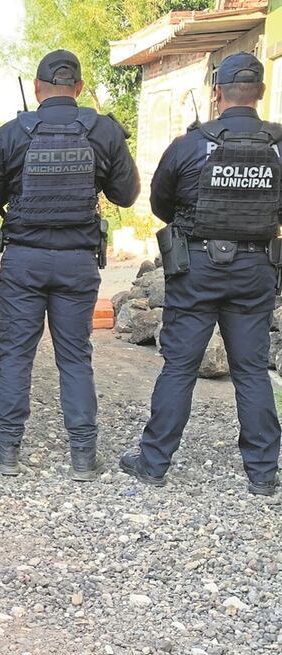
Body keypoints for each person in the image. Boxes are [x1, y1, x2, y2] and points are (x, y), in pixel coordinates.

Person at [120, 52, 281, 497]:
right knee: (251, 370)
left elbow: (160, 204)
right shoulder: (278, 146)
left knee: (180, 367)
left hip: (196, 268)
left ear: (217, 92)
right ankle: (262, 474)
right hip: (255, 269)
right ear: (260, 92)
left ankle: (153, 463)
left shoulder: (191, 144)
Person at [0, 50, 139, 481]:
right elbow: (126, 195)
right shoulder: (102, 131)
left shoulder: (13, 133)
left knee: (16, 355)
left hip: (24, 261)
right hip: (76, 262)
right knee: (75, 358)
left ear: (36, 88)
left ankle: (6, 450)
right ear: (79, 88)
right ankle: (83, 456)